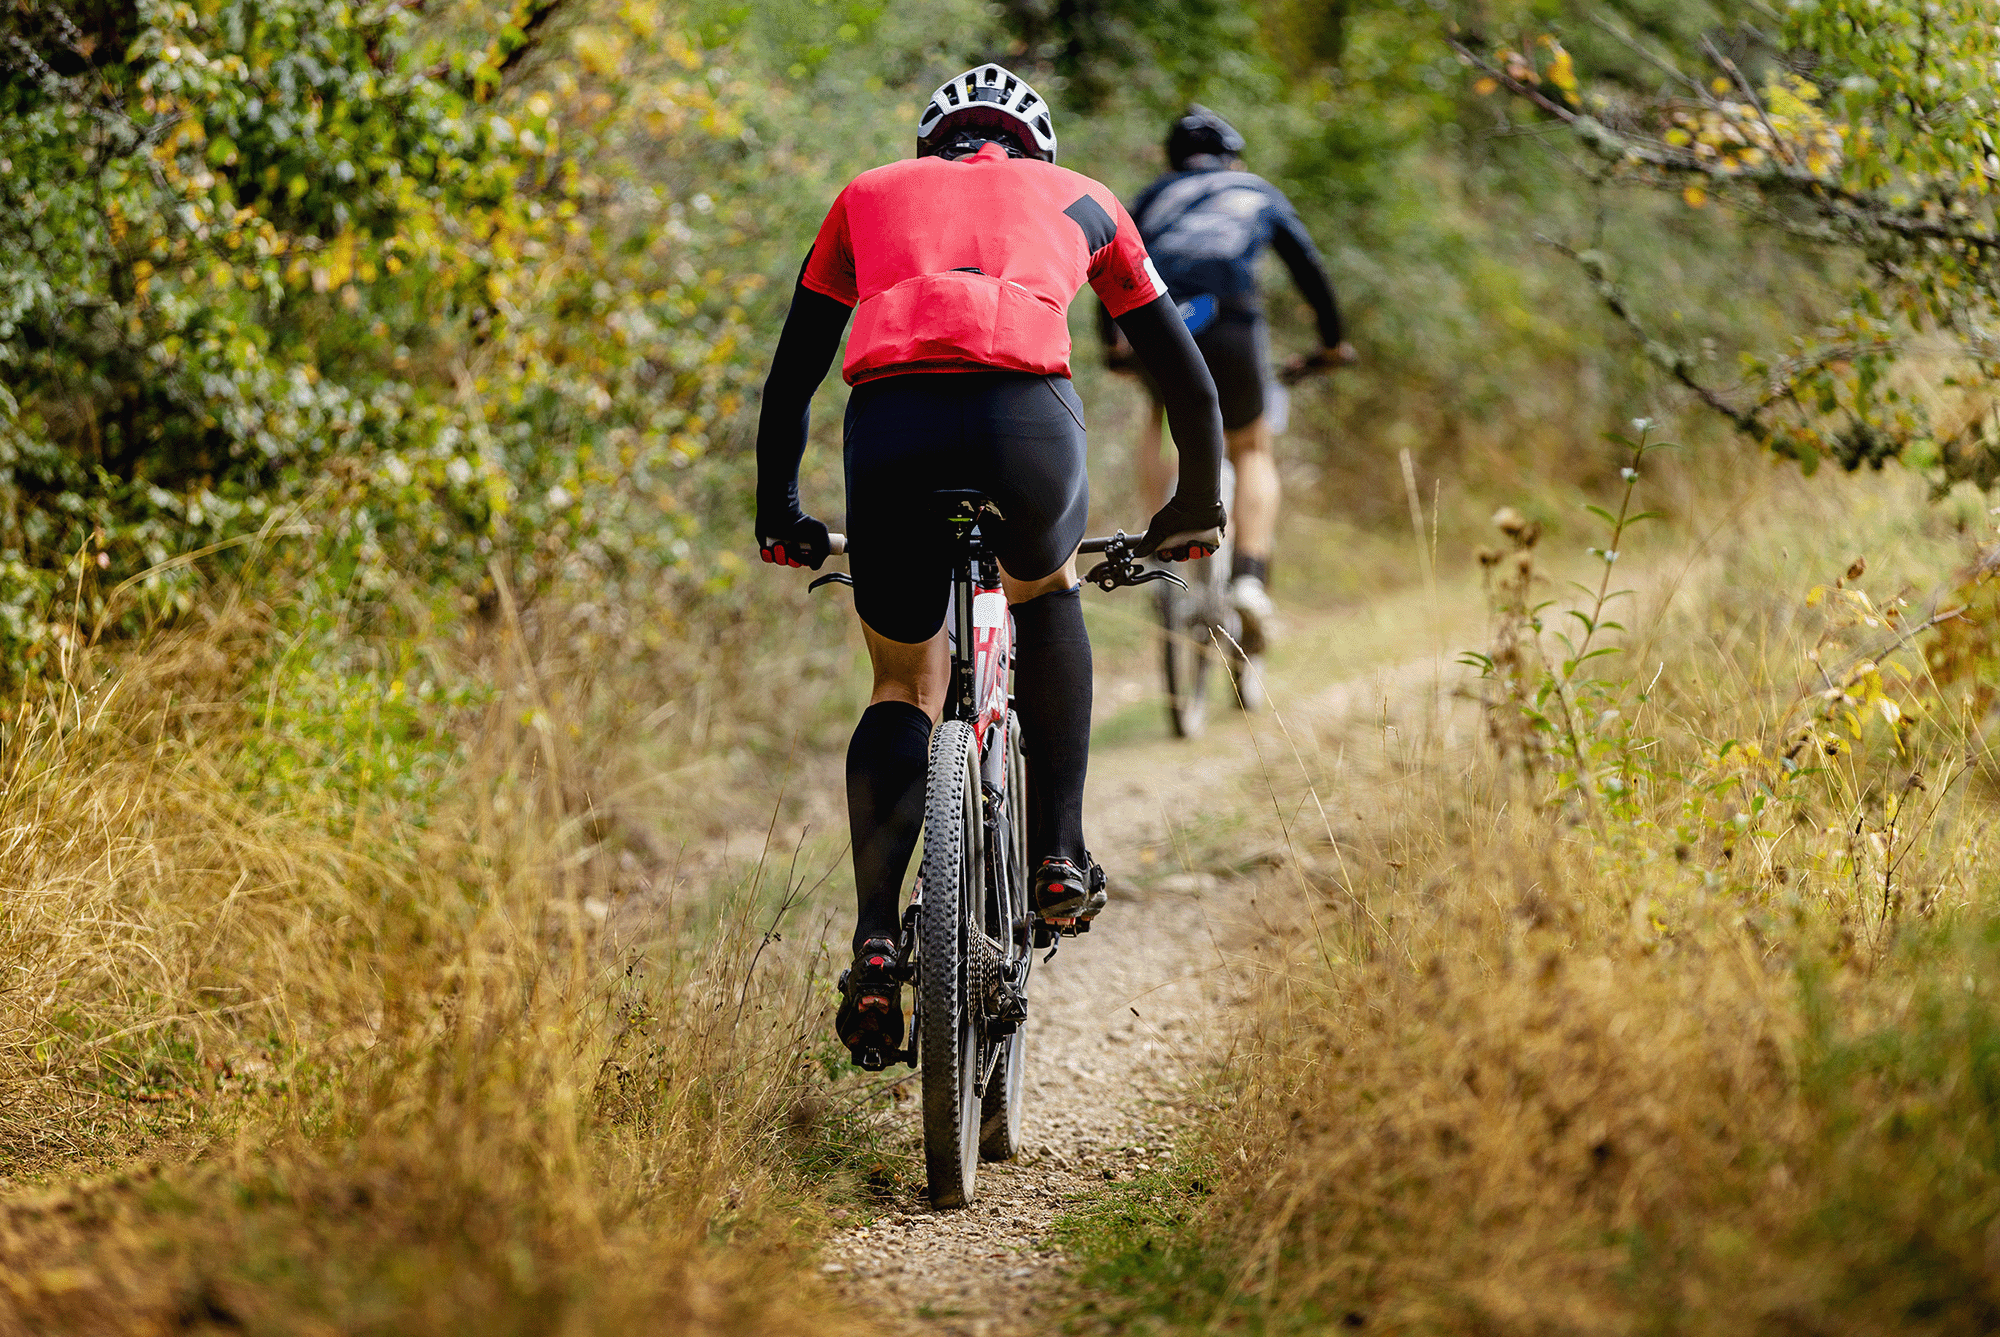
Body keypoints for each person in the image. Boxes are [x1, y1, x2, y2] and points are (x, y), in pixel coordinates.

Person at [753, 64, 1230, 1066]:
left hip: (892, 425)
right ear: (1033, 149)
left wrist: (781, 511)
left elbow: (792, 375)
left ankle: (877, 944)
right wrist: (1191, 504)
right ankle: (1058, 850)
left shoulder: (867, 194)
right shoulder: (1090, 198)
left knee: (898, 679)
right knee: (1042, 583)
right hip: (1026, 420)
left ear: (934, 146)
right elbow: (1183, 381)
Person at [1103, 105, 1356, 685]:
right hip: (1231, 323)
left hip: (1158, 321)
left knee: (1158, 413)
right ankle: (1248, 578)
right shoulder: (1253, 189)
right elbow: (1309, 268)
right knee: (1251, 447)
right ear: (1230, 155)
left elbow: (1110, 263)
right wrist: (1334, 343)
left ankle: (1153, 537)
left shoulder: (1149, 197)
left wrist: (1115, 346)